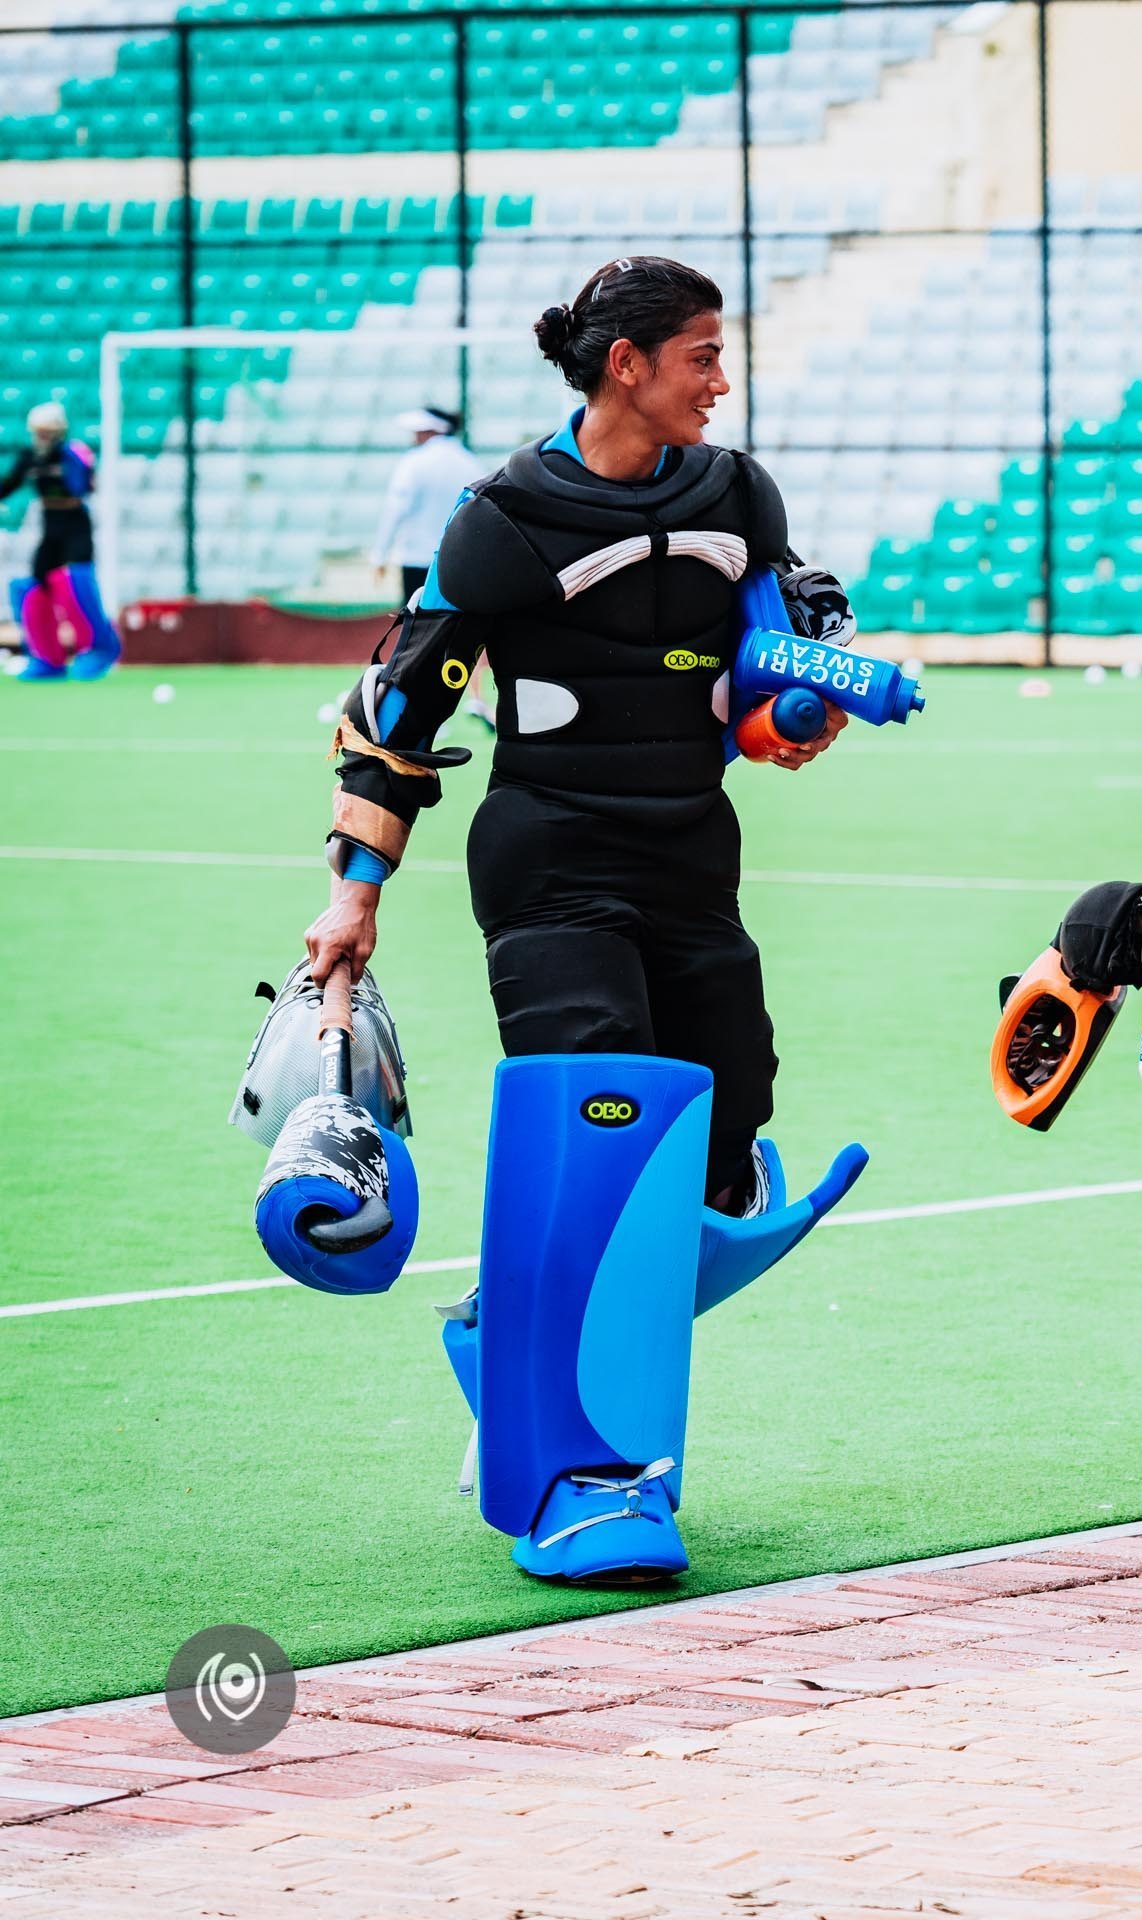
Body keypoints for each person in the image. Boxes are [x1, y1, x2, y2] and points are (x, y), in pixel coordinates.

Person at [301, 256, 858, 1582]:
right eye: (702, 356)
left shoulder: (738, 497)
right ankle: (576, 1476)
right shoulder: (504, 518)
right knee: (604, 1106)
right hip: (551, 853)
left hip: (690, 854)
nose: (721, 380)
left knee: (726, 1139)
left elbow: (769, 667)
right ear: (628, 366)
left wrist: (816, 703)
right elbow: (404, 712)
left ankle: (509, 1337)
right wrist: (352, 894)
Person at [2, 400, 121, 680]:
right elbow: (8, 484)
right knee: (36, 585)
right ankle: (46, 657)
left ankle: (99, 648)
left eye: (47, 432)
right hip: (50, 525)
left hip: (75, 523)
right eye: (37, 432)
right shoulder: (30, 457)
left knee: (76, 580)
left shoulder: (72, 454)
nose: (41, 438)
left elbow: (80, 485)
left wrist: (60, 460)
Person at [369, 405, 483, 611]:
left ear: (428, 431)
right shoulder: (471, 462)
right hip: (455, 561)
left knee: (416, 623)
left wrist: (379, 555)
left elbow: (395, 509)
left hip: (416, 558)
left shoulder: (413, 462)